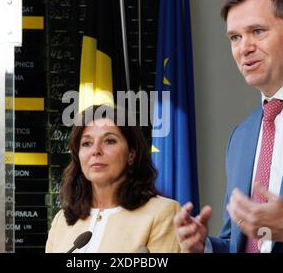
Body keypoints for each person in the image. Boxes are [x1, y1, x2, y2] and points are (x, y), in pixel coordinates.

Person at [174, 0, 283, 253]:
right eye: (235, 37)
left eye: (257, 31)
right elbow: (237, 242)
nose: (244, 48)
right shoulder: (241, 136)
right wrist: (204, 246)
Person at [46, 105, 181, 253]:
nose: (96, 150)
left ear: (131, 154)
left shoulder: (162, 213)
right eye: (87, 143)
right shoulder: (62, 220)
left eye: (109, 141)